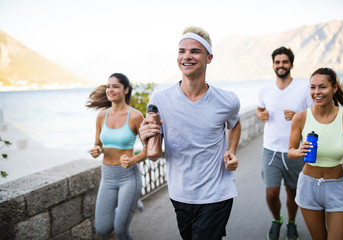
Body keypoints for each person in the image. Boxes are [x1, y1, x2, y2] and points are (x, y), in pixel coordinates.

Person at [139, 26, 241, 240]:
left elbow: (235, 123)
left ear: (209, 57)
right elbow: (154, 146)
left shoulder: (227, 100)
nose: (186, 56)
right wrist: (145, 137)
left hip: (217, 192)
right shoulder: (159, 100)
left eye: (195, 51)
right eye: (181, 51)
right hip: (180, 192)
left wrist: (231, 150)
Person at [288, 67, 343, 240]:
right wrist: (297, 151)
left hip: (337, 187)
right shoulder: (301, 118)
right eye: (312, 87)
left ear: (334, 88)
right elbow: (290, 151)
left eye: (322, 87)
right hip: (308, 187)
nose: (316, 92)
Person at [256, 46, 313, 240]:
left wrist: (298, 116)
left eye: (284, 62)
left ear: (291, 64)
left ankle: (291, 222)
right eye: (277, 62)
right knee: (272, 193)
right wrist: (260, 114)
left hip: (296, 150)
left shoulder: (304, 88)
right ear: (273, 65)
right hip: (270, 150)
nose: (281, 65)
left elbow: (315, 115)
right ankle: (277, 219)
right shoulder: (265, 89)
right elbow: (259, 108)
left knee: (293, 191)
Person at [86, 73, 146, 239]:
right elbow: (98, 144)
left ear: (126, 90)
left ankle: (129, 201)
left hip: (128, 177)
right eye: (108, 86)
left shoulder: (135, 116)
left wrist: (133, 159)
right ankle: (126, 205)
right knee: (103, 229)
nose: (110, 90)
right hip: (107, 176)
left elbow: (149, 148)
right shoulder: (101, 116)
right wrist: (96, 150)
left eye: (115, 86)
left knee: (121, 230)